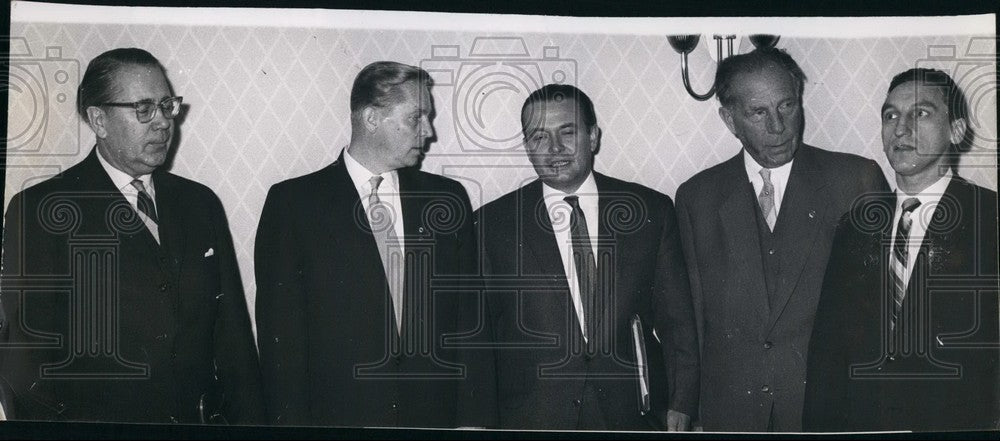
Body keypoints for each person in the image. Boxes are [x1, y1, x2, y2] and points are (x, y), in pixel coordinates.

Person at [0, 48, 263, 423]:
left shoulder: (200, 203)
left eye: (166, 105)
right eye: (143, 108)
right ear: (99, 120)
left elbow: (235, 340)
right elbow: (25, 363)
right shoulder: (40, 210)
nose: (162, 123)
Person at [673, 47, 889, 431]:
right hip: (732, 413)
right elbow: (691, 318)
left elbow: (884, 310)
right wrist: (684, 402)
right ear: (730, 119)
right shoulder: (697, 198)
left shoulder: (856, 181)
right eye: (758, 113)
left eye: (787, 105)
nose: (779, 126)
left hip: (825, 409)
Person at [254, 61, 479, 427]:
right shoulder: (293, 204)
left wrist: (474, 420)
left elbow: (470, 321)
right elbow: (283, 344)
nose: (429, 131)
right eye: (416, 117)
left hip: (434, 418)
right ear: (371, 119)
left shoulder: (447, 199)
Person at [473, 84, 699, 430]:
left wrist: (681, 403)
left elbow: (677, 322)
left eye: (568, 132)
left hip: (632, 417)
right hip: (534, 418)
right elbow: (480, 340)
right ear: (526, 146)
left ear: (592, 137)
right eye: (539, 137)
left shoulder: (650, 210)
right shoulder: (492, 224)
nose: (554, 149)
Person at [803, 68, 998, 432]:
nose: (901, 128)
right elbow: (827, 354)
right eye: (890, 115)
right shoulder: (854, 226)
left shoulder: (990, 220)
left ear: (956, 130)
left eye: (920, 113)